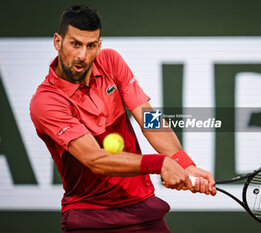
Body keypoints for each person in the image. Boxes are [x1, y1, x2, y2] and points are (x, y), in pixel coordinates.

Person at [30, 4, 216, 233]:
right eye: (75, 44)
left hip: (143, 209)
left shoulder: (110, 61)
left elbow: (149, 118)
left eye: (90, 46)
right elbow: (95, 160)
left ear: (99, 46)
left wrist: (182, 162)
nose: (82, 55)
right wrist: (160, 164)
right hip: (90, 218)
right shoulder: (46, 101)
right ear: (58, 41)